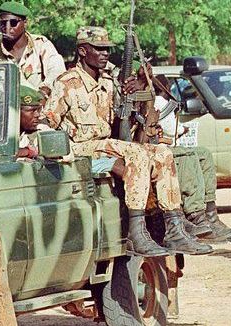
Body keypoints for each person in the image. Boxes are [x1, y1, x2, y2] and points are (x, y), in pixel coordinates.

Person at [44, 26, 212, 257]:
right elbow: (46, 123)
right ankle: (136, 231)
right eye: (98, 49)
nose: (105, 54)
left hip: (106, 147)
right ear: (83, 51)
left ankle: (174, 227)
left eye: (107, 49)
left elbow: (123, 124)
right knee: (137, 154)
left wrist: (139, 88)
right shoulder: (67, 83)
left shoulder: (107, 82)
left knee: (162, 153)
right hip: (81, 148)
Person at [153, 75, 231, 242]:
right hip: (159, 149)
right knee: (187, 155)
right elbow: (169, 129)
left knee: (204, 154)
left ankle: (210, 215)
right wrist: (180, 131)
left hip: (165, 145)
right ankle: (196, 216)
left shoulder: (156, 101)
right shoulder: (156, 102)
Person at [0, 1, 66, 96]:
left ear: (25, 23)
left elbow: (57, 70)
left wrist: (44, 91)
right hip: (2, 107)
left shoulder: (40, 44)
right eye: (3, 23)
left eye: (13, 23)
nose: (8, 28)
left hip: (36, 106)